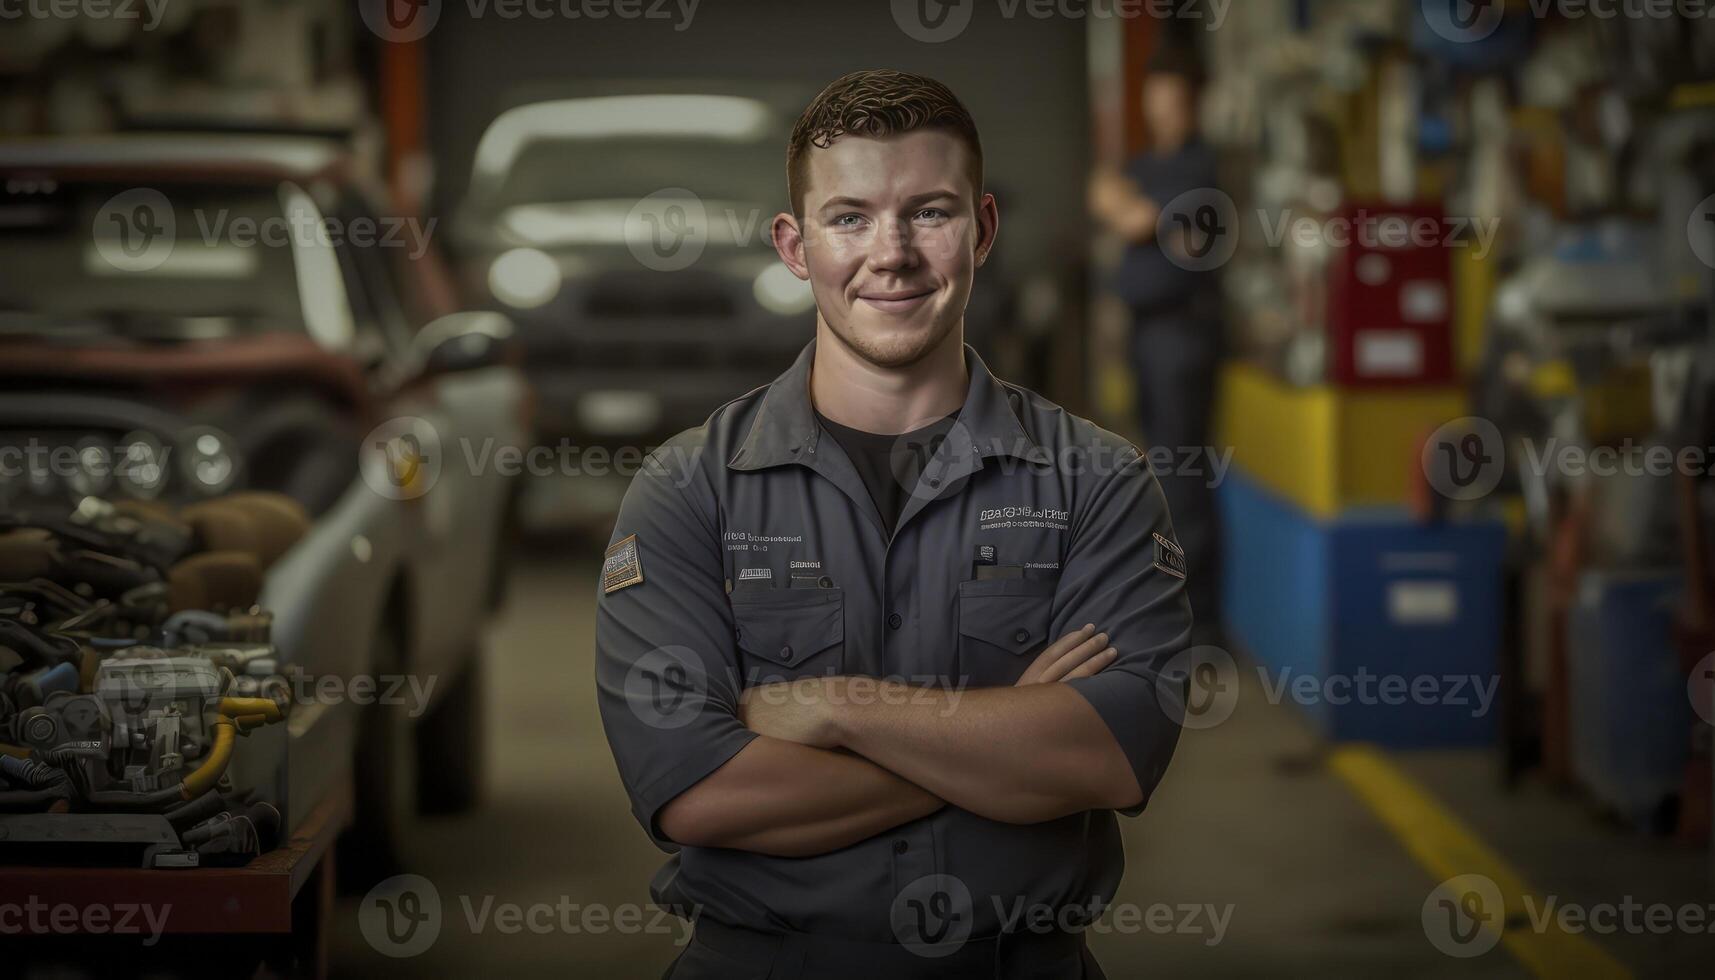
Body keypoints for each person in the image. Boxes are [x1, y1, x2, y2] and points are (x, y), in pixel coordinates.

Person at [595, 69, 1192, 980]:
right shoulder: (688, 489)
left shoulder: (1096, 481)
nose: (892, 252)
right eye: (849, 218)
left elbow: (1108, 755)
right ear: (795, 247)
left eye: (930, 212)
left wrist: (835, 707)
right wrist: (1000, 747)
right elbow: (698, 793)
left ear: (983, 229)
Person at [1088, 44, 1225, 642]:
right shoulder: (1149, 164)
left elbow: (1131, 217)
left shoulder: (1199, 171)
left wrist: (1124, 203)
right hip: (1147, 332)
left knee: (1182, 474)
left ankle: (1200, 622)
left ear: (1194, 104)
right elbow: (1102, 192)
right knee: (1157, 469)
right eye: (1158, 98)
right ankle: (1172, 604)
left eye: (1176, 100)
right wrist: (1120, 199)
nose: (1165, 110)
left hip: (1183, 333)